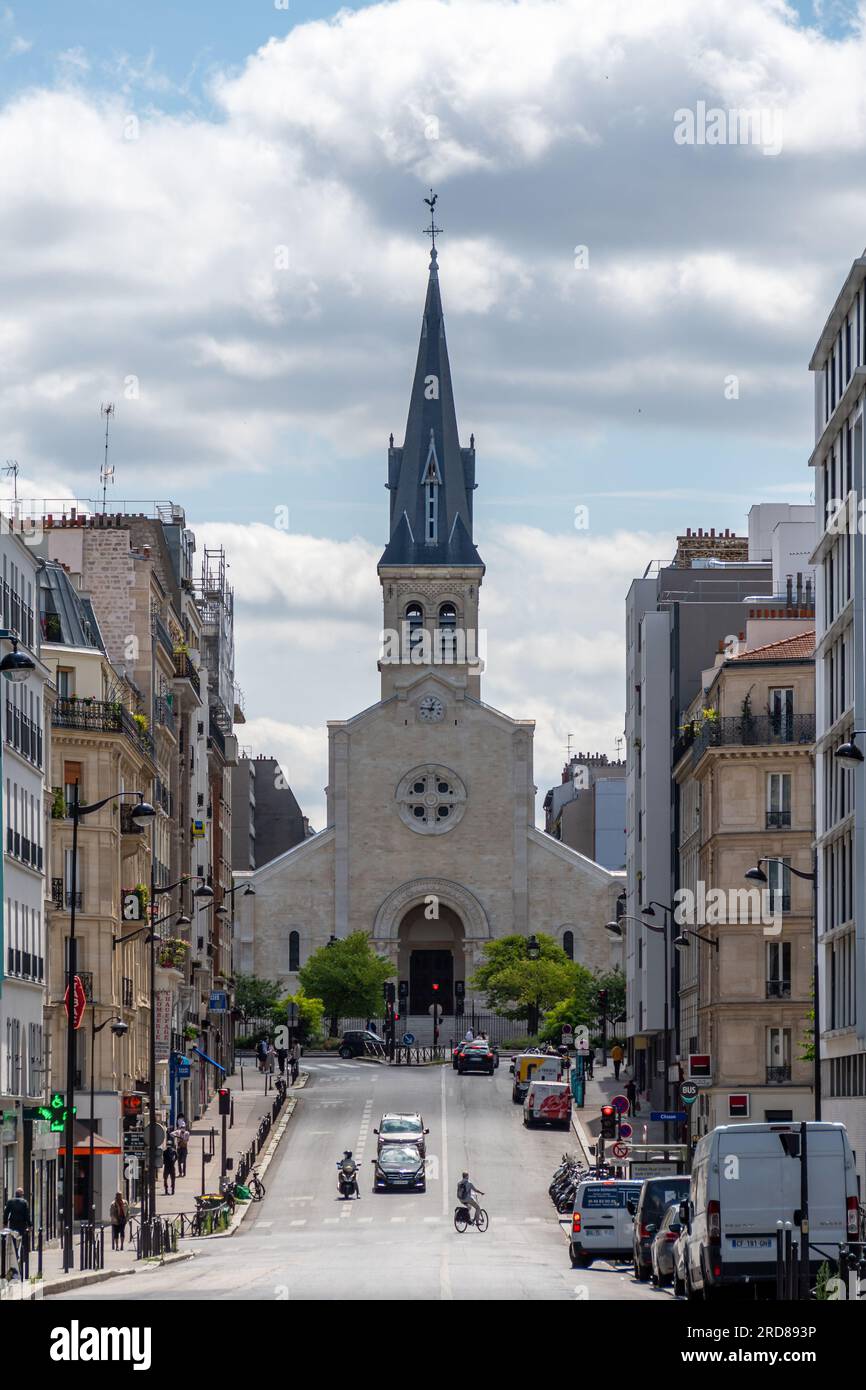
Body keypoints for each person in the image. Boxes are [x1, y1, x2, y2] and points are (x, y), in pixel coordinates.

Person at [3, 1187, 30, 1276]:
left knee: (13, 1239)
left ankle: (16, 1254)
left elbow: (6, 1212)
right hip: (22, 1224)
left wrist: (5, 1223)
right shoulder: (24, 1202)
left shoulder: (10, 1201)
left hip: (13, 1223)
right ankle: (21, 1255)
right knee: (22, 1239)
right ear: (21, 1194)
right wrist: (29, 1225)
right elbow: (27, 1215)